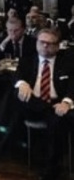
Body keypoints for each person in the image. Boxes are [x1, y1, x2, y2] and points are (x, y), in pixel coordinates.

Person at [14, 28, 74, 180]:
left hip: (57, 103)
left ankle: (51, 168)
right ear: (36, 43)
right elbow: (17, 76)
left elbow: (72, 86)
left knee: (58, 121)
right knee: (25, 97)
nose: (45, 46)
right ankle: (53, 166)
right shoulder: (27, 60)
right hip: (34, 104)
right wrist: (22, 83)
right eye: (42, 42)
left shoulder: (67, 62)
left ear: (58, 46)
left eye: (50, 43)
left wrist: (66, 102)